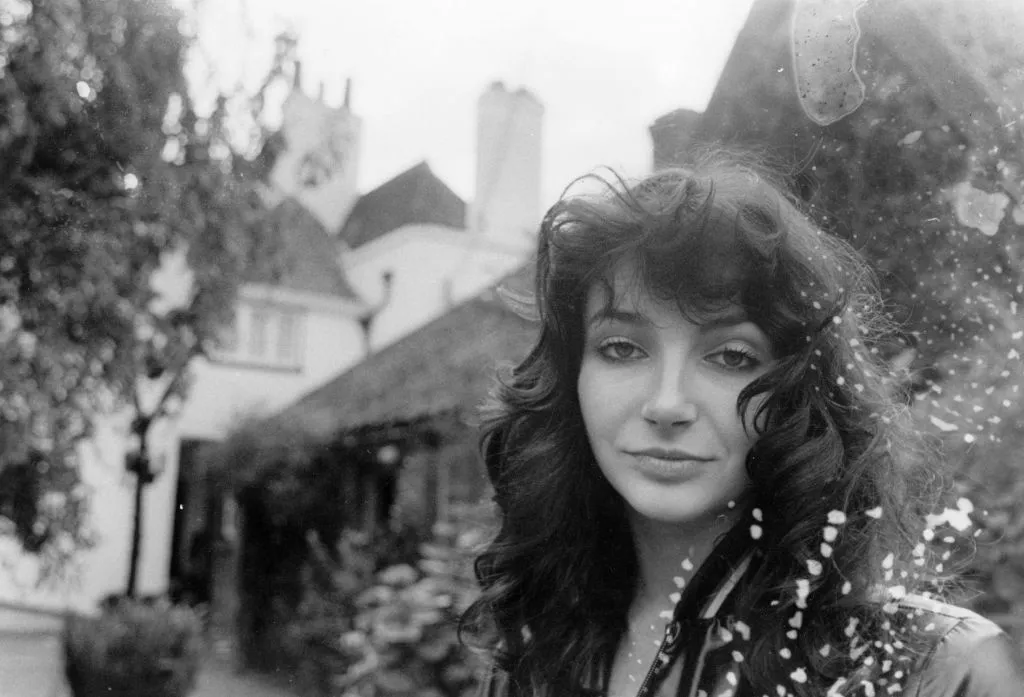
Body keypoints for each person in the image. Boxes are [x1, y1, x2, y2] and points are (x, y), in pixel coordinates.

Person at [459, 151, 1024, 697]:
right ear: (571, 378)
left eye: (731, 356)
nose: (667, 403)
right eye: (623, 348)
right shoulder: (532, 649)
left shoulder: (936, 671)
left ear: (798, 394)